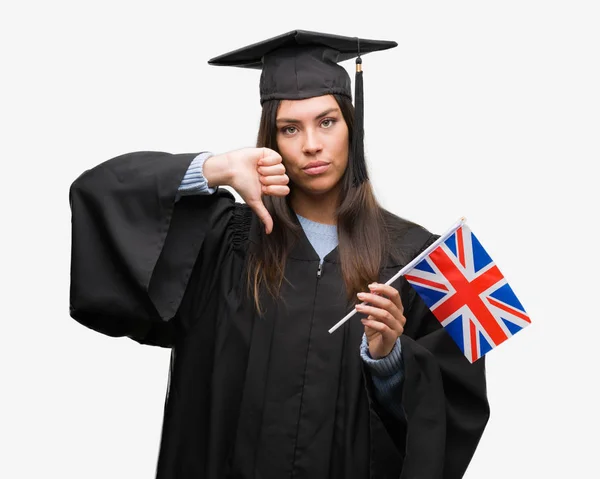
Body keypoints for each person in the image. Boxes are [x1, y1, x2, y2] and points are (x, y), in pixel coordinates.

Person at [69, 30, 489, 479]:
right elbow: (98, 193)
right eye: (290, 128)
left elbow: (458, 413)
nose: (311, 144)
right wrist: (216, 168)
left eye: (327, 121)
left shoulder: (426, 258)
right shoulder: (221, 240)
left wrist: (388, 361)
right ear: (270, 139)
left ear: (353, 126)